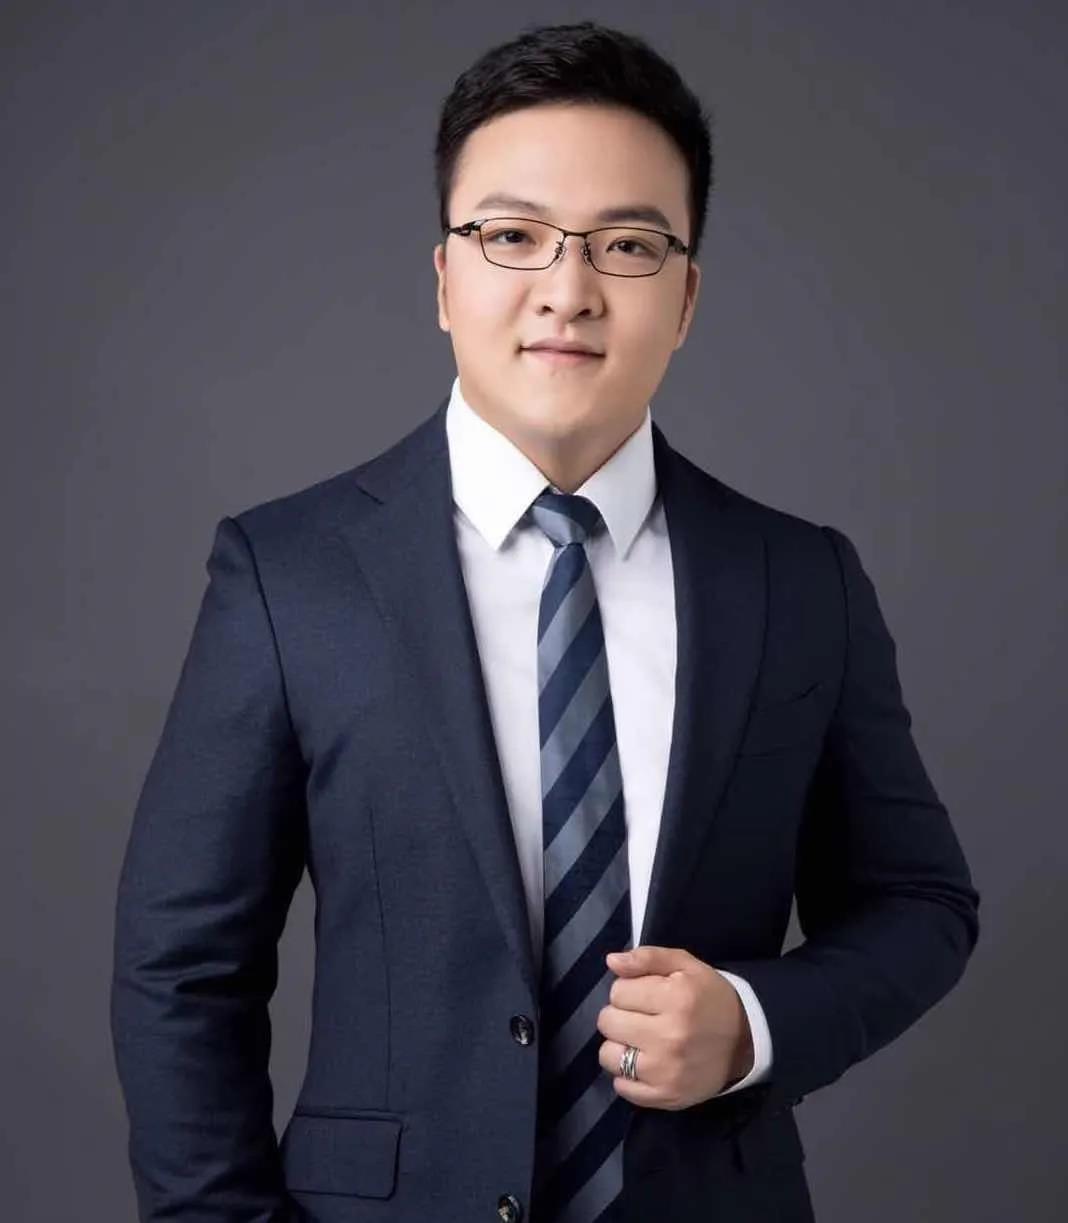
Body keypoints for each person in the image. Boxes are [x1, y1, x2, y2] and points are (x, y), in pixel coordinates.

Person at [110, 19, 980, 1223]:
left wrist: (754, 1024)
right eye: (513, 236)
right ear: (443, 278)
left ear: (686, 294)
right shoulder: (290, 572)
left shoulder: (799, 580)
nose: (568, 292)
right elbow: (182, 967)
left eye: (627, 244)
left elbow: (921, 903)